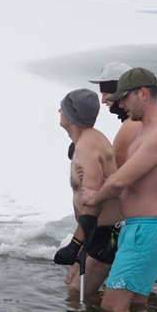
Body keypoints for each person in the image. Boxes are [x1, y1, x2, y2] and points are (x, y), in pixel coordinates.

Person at [82, 67, 157, 312]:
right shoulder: (143, 129)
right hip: (137, 228)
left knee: (112, 309)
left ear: (143, 93)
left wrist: (95, 197)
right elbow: (123, 177)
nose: (120, 104)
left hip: (147, 230)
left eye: (125, 98)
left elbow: (118, 182)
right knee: (134, 308)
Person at [54, 89, 124, 298]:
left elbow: (93, 203)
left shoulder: (88, 147)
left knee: (78, 296)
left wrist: (75, 246)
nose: (59, 111)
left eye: (63, 108)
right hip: (92, 231)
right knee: (71, 285)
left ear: (72, 115)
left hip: (105, 233)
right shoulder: (83, 142)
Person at [88, 61, 141, 168]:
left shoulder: (131, 126)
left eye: (105, 93)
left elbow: (115, 175)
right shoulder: (143, 121)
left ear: (120, 92)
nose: (103, 101)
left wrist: (85, 155)